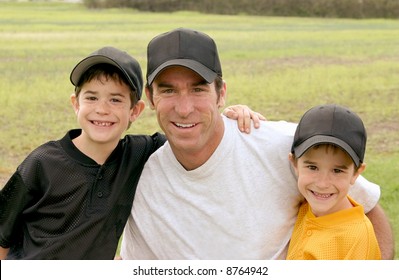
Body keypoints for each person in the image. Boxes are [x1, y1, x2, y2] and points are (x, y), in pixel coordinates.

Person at [120, 27, 394, 260]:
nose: (184, 108)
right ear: (151, 97)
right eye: (169, 90)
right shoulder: (133, 169)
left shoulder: (290, 148)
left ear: (221, 93)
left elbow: (369, 212)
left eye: (198, 89)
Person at [0, 46, 259, 260]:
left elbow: (189, 133)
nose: (102, 109)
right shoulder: (42, 163)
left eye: (115, 100)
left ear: (135, 111)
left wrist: (230, 114)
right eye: (91, 98)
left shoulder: (138, 154)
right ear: (75, 103)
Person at [286, 104, 381, 259]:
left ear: (356, 173)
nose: (323, 184)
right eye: (312, 167)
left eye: (337, 170)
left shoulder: (357, 237)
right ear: (295, 163)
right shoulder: (306, 208)